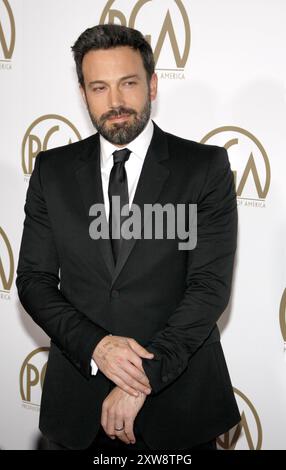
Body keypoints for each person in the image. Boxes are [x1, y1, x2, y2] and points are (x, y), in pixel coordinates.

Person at [16, 24, 240, 452]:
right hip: (78, 405)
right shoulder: (52, 170)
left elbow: (208, 288)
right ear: (82, 94)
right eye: (99, 87)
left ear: (153, 84)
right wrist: (97, 347)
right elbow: (34, 281)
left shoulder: (204, 168)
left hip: (178, 403)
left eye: (128, 83)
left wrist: (141, 380)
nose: (115, 102)